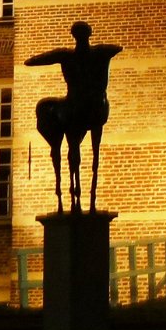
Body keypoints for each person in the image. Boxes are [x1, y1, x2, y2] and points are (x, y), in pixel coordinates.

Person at [26, 21, 122, 213]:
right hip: (96, 106)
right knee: (92, 147)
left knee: (72, 143)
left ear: (74, 36)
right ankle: (87, 195)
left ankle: (74, 190)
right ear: (89, 34)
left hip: (77, 104)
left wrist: (30, 61)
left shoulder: (68, 56)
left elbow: (40, 59)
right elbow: (117, 48)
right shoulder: (100, 52)